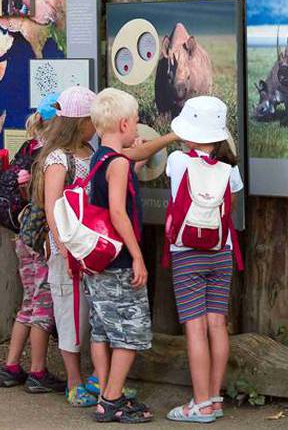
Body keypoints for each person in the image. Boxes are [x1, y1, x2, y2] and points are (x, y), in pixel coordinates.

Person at [163, 97, 243, 424]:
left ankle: (200, 405)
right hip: (220, 252)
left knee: (195, 329)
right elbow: (229, 208)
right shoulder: (230, 169)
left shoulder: (177, 162)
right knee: (217, 325)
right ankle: (214, 398)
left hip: (187, 255)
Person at [86, 88, 154, 423]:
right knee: (131, 330)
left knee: (102, 329)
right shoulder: (118, 165)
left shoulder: (100, 159)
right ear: (125, 123)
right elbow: (117, 212)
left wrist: (135, 159)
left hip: (98, 263)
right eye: (137, 120)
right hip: (119, 262)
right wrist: (137, 256)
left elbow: (118, 179)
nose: (138, 126)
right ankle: (112, 399)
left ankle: (104, 395)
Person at [33, 86, 99, 405]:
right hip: (68, 251)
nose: (97, 125)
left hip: (93, 247)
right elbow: (52, 205)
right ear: (79, 121)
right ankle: (74, 380)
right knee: (71, 311)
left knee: (94, 312)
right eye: (92, 119)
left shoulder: (92, 152)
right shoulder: (59, 159)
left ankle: (95, 375)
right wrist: (62, 247)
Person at [0, 95, 58, 393]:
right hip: (40, 240)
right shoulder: (49, 156)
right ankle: (37, 371)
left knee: (29, 303)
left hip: (23, 237)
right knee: (43, 304)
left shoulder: (28, 149)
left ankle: (10, 366)